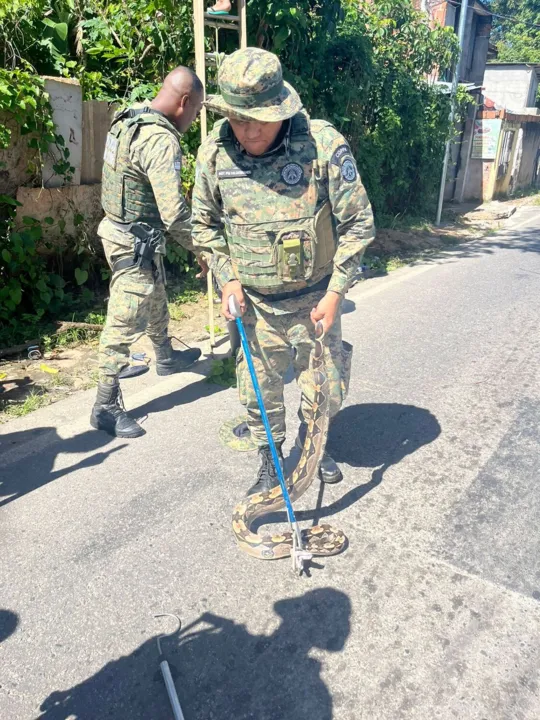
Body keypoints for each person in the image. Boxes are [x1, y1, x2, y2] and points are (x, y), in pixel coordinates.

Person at [191, 48, 375, 495]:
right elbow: (204, 225)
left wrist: (334, 295)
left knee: (324, 389)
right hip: (254, 305)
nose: (248, 129)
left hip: (315, 301)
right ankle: (270, 461)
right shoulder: (214, 154)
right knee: (259, 393)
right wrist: (226, 278)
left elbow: (358, 225)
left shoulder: (322, 145)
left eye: (257, 118)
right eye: (237, 118)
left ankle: (317, 448)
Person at [91, 67, 207, 439]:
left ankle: (166, 358)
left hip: (120, 228)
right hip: (132, 241)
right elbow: (173, 212)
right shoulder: (161, 141)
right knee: (123, 319)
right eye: (198, 109)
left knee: (156, 293)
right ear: (185, 102)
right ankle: (105, 405)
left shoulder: (128, 117)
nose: (195, 118)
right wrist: (205, 249)